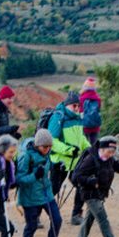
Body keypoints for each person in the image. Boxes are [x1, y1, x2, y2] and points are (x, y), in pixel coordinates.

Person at [72, 136, 119, 237]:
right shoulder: (91, 159)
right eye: (109, 151)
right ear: (101, 149)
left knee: (90, 217)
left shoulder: (109, 159)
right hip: (89, 193)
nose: (111, 154)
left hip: (100, 193)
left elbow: (118, 167)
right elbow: (77, 177)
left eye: (113, 152)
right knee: (102, 218)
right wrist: (90, 181)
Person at [17, 129, 64, 237]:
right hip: (30, 197)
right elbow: (19, 179)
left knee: (57, 220)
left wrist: (56, 167)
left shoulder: (47, 153)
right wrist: (34, 176)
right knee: (31, 226)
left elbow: (46, 171)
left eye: (49, 146)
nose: (47, 149)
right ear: (37, 145)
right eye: (45, 147)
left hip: (46, 193)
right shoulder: (26, 156)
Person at [48, 91, 90, 226]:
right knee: (53, 189)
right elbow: (52, 141)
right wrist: (69, 150)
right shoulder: (58, 117)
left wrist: (90, 149)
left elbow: (81, 138)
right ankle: (34, 215)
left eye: (78, 106)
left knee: (82, 185)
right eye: (74, 106)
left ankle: (76, 215)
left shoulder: (78, 119)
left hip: (75, 161)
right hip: (59, 162)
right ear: (67, 105)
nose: (77, 108)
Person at [79, 76, 102, 148]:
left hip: (84, 125)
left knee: (84, 146)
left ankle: (86, 155)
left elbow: (79, 111)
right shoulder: (97, 99)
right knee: (94, 145)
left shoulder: (81, 98)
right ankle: (94, 154)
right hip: (95, 126)